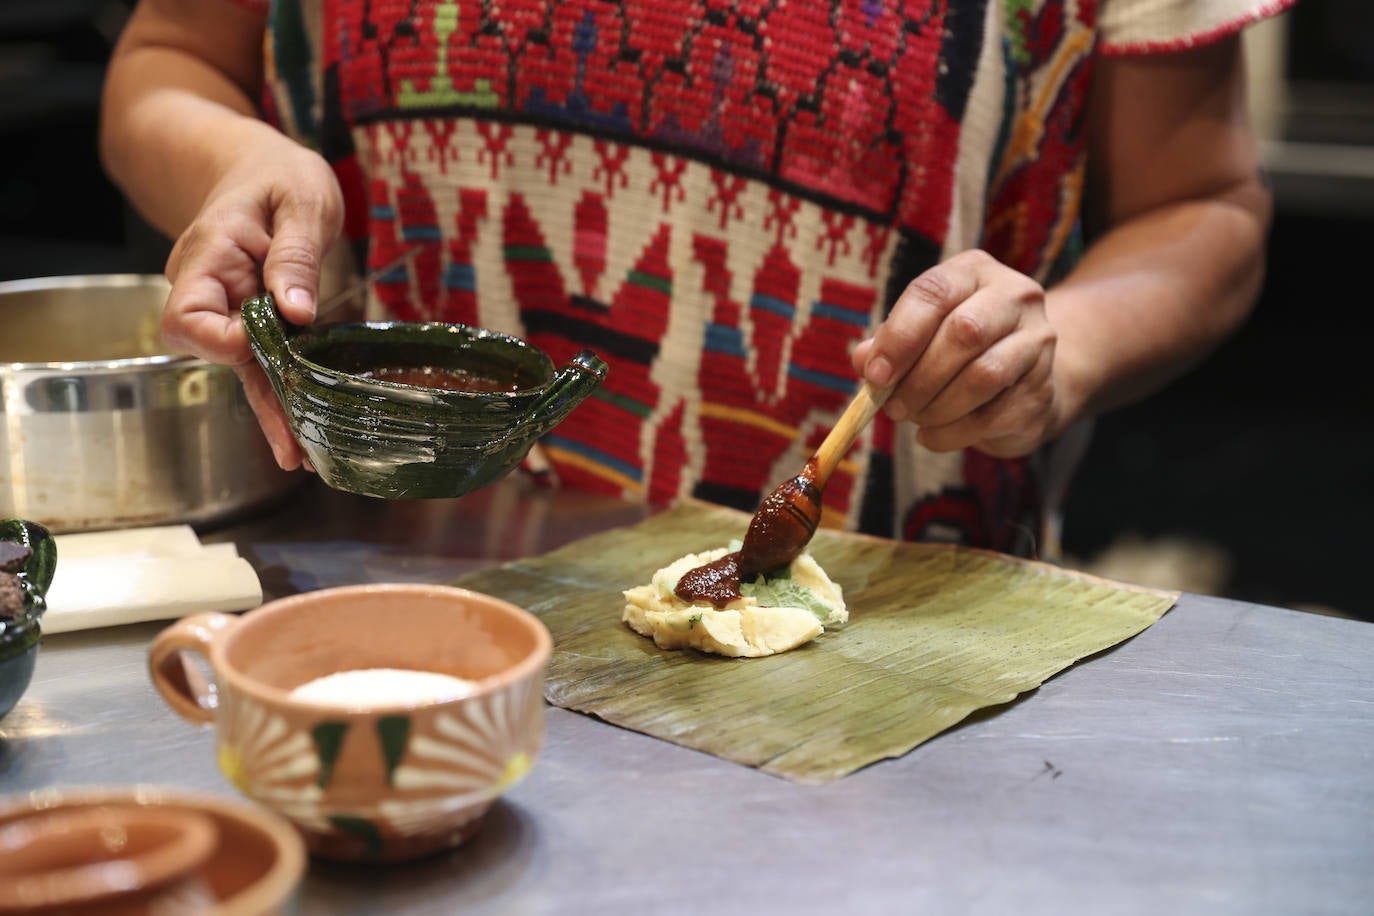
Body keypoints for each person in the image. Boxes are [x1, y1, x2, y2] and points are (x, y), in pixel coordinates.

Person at [98, 0, 1291, 558]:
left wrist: (1063, 345)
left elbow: (1204, 207)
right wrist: (241, 159)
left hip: (873, 640)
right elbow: (168, 63)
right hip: (375, 581)